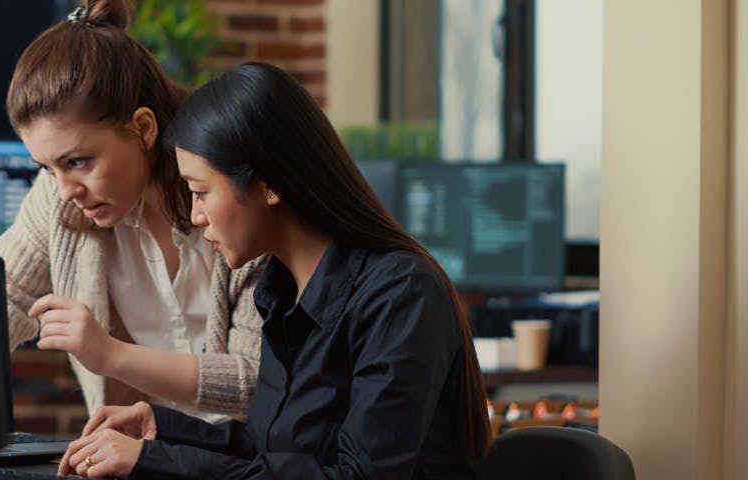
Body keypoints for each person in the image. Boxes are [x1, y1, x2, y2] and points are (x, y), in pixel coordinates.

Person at [56, 62, 492, 479]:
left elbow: (358, 476)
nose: (196, 215)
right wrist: (163, 430)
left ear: (269, 184)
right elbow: (273, 449)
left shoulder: (399, 294)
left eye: (201, 192)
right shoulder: (281, 288)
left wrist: (153, 463)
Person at [0, 0, 265, 422]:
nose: (65, 191)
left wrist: (110, 355)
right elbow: (2, 299)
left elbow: (257, 382)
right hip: (148, 457)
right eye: (46, 168)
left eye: (78, 161)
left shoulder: (235, 193)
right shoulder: (58, 197)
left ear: (143, 128)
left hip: (250, 460)